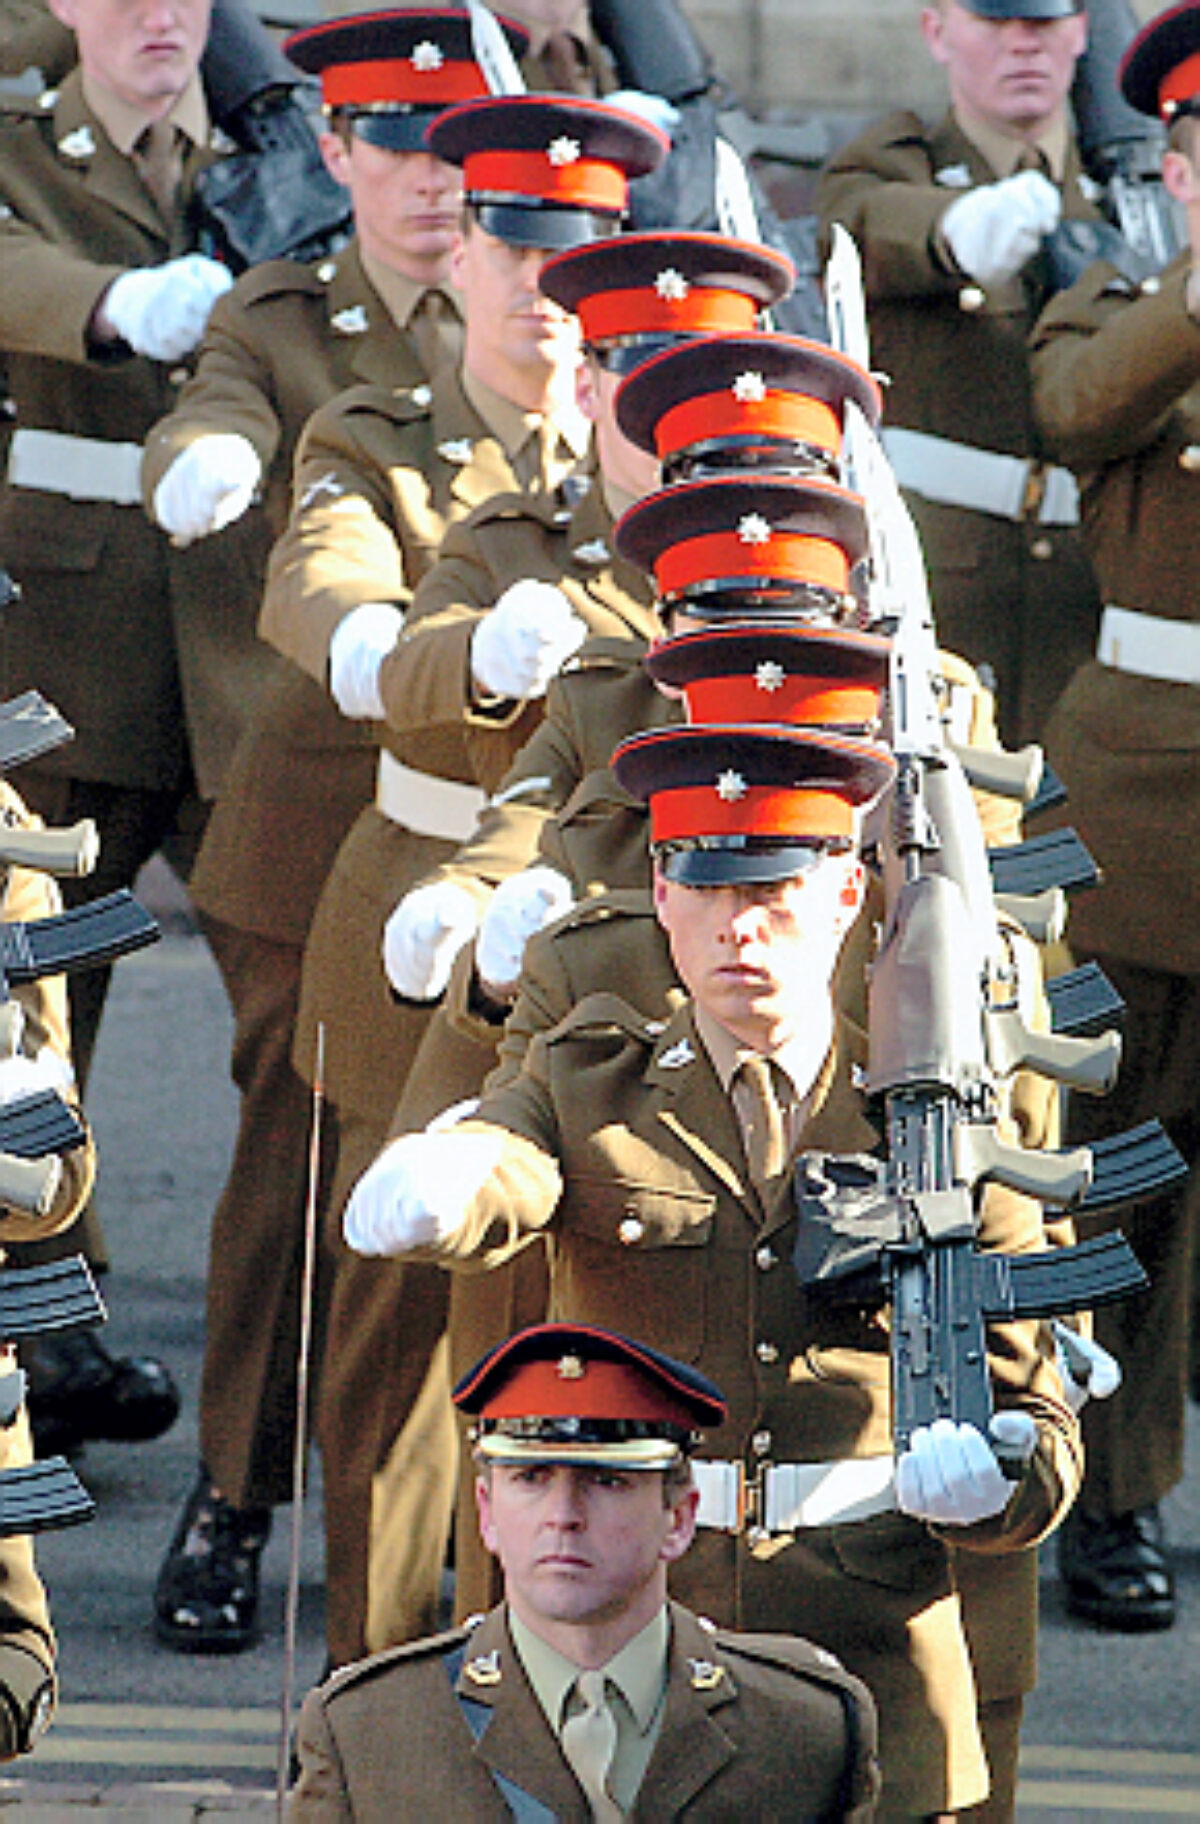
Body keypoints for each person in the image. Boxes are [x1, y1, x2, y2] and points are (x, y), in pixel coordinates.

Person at [344, 717, 1082, 1820]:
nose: (742, 929)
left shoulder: (942, 1118)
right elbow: (513, 1153)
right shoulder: (597, 1081)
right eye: (706, 889)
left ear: (845, 892)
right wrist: (447, 1179)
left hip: (872, 1655)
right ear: (661, 894)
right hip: (625, 1652)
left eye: (776, 890)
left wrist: (999, 1484)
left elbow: (1040, 1411)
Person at [257, 91, 666, 1673]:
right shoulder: (385, 436)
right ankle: (381, 1704)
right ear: (469, 256)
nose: (545, 293)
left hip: (615, 962)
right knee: (402, 1385)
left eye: (580, 263)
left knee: (587, 1372)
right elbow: (339, 602)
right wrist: (444, 657)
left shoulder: (683, 483)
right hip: (427, 917)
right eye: (513, 249)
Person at [141, 6, 517, 1660]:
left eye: (460, 154)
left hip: (513, 806)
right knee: (303, 1160)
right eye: (396, 151)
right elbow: (213, 397)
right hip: (322, 812)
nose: (433, 188)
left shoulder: (545, 308)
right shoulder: (291, 314)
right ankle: (235, 1486)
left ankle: (472, 1529)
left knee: (493, 1181)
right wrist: (209, 449)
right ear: (338, 154)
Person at [0, 0, 247, 1457]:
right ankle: (46, 1318)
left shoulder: (285, 146)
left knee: (306, 1026)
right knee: (41, 1005)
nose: (159, 14)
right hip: (72, 643)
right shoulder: (22, 150)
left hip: (246, 647)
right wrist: (115, 304)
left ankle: (270, 1414)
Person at [288, 1321, 881, 1822]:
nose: (563, 1517)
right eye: (531, 1480)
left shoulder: (804, 1727)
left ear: (678, 1516)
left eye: (608, 1482)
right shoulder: (370, 1732)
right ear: (486, 1513)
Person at [1028, 0, 1200, 1633]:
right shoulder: (1121, 305)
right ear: (1175, 162)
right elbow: (1076, 414)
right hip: (1150, 799)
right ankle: (1104, 1486)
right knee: (1121, 1162)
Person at [816, 0, 1104, 746]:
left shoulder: (1130, 183)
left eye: (1042, 25)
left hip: (1098, 598)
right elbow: (857, 224)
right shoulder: (896, 162)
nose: (1023, 46)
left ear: (1080, 31)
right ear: (937, 29)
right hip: (948, 590)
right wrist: (953, 232)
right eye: (996, 22)